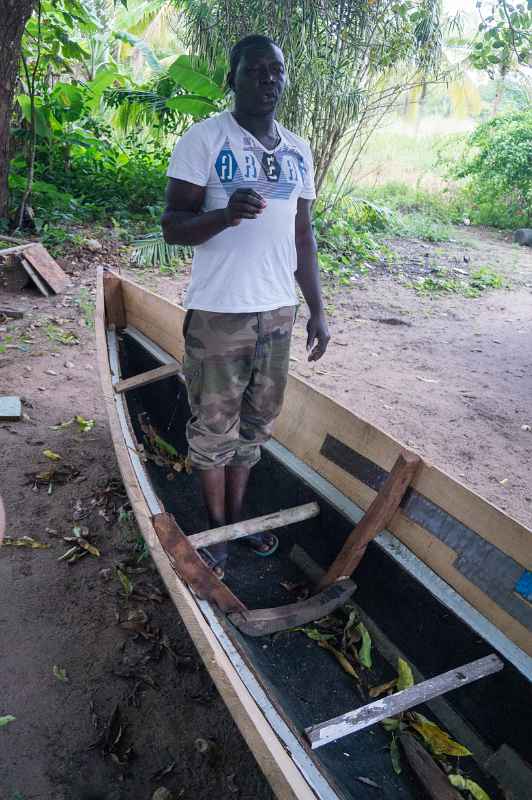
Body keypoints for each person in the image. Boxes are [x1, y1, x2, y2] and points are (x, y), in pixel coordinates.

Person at [161, 34, 329, 578]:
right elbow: (173, 227)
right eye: (256, 71)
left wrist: (317, 311)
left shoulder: (298, 149)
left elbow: (303, 238)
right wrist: (224, 216)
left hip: (278, 312)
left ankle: (238, 517)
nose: (269, 80)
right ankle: (215, 531)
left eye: (276, 71)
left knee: (256, 425)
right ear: (232, 77)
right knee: (214, 428)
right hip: (220, 312)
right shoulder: (205, 140)